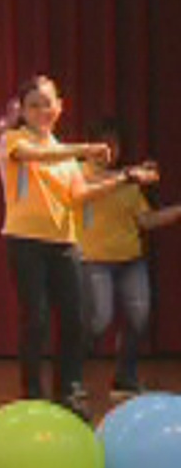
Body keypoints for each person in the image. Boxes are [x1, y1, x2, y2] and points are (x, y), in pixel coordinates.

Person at [0, 75, 155, 417]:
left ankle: (69, 391)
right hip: (26, 240)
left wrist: (125, 177)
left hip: (64, 242)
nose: (41, 111)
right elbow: (35, 155)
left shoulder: (65, 156)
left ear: (60, 107)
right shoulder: (14, 139)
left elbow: (78, 196)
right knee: (36, 318)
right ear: (23, 111)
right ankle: (33, 393)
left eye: (47, 104)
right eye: (33, 105)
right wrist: (86, 149)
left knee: (74, 319)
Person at [77, 117, 177, 397]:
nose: (109, 151)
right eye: (103, 144)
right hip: (94, 260)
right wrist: (130, 174)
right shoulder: (79, 173)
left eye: (115, 145)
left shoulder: (129, 182)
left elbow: (145, 220)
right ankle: (71, 377)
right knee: (98, 319)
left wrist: (177, 211)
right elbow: (85, 190)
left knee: (138, 317)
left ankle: (125, 377)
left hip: (131, 260)